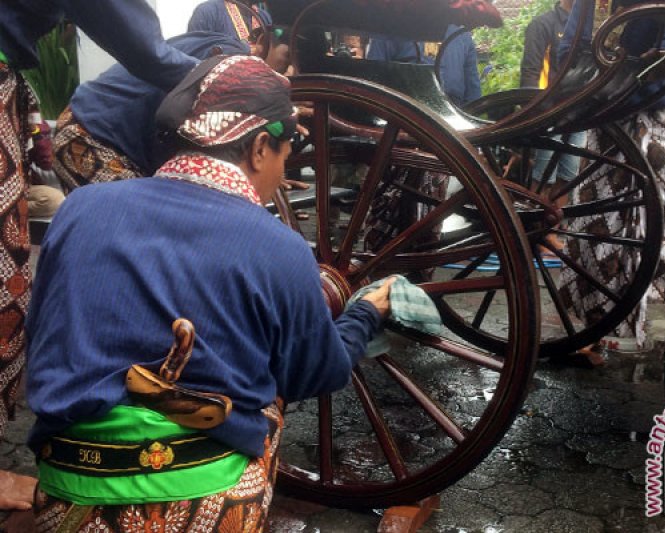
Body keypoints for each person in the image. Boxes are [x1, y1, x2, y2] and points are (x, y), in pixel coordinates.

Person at [26, 55, 393, 531]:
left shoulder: (81, 209)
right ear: (261, 147)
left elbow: (44, 332)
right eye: (286, 154)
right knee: (270, 402)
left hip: (66, 496)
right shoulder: (280, 247)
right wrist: (363, 314)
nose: (283, 173)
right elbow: (314, 374)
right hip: (198, 509)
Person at [0, 0, 198, 511]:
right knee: (10, 279)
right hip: (89, 138)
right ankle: (103, 368)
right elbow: (135, 39)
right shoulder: (213, 59)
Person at [556, 0, 665, 359]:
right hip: (608, 97)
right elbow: (577, 34)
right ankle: (589, 325)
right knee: (598, 214)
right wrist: (578, 76)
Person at [53, 32, 251, 190]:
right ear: (263, 41)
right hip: (91, 136)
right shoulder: (232, 62)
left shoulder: (217, 42)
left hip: (88, 123)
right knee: (142, 222)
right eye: (282, 62)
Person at [518, 0, 585, 252]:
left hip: (578, 110)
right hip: (549, 109)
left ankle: (554, 230)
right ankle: (536, 231)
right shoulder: (542, 24)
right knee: (544, 173)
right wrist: (530, 114)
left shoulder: (586, 27)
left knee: (569, 174)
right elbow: (530, 72)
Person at [367, 24, 482, 108]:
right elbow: (374, 78)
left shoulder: (462, 34)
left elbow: (472, 87)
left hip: (454, 113)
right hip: (405, 112)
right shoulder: (390, 27)